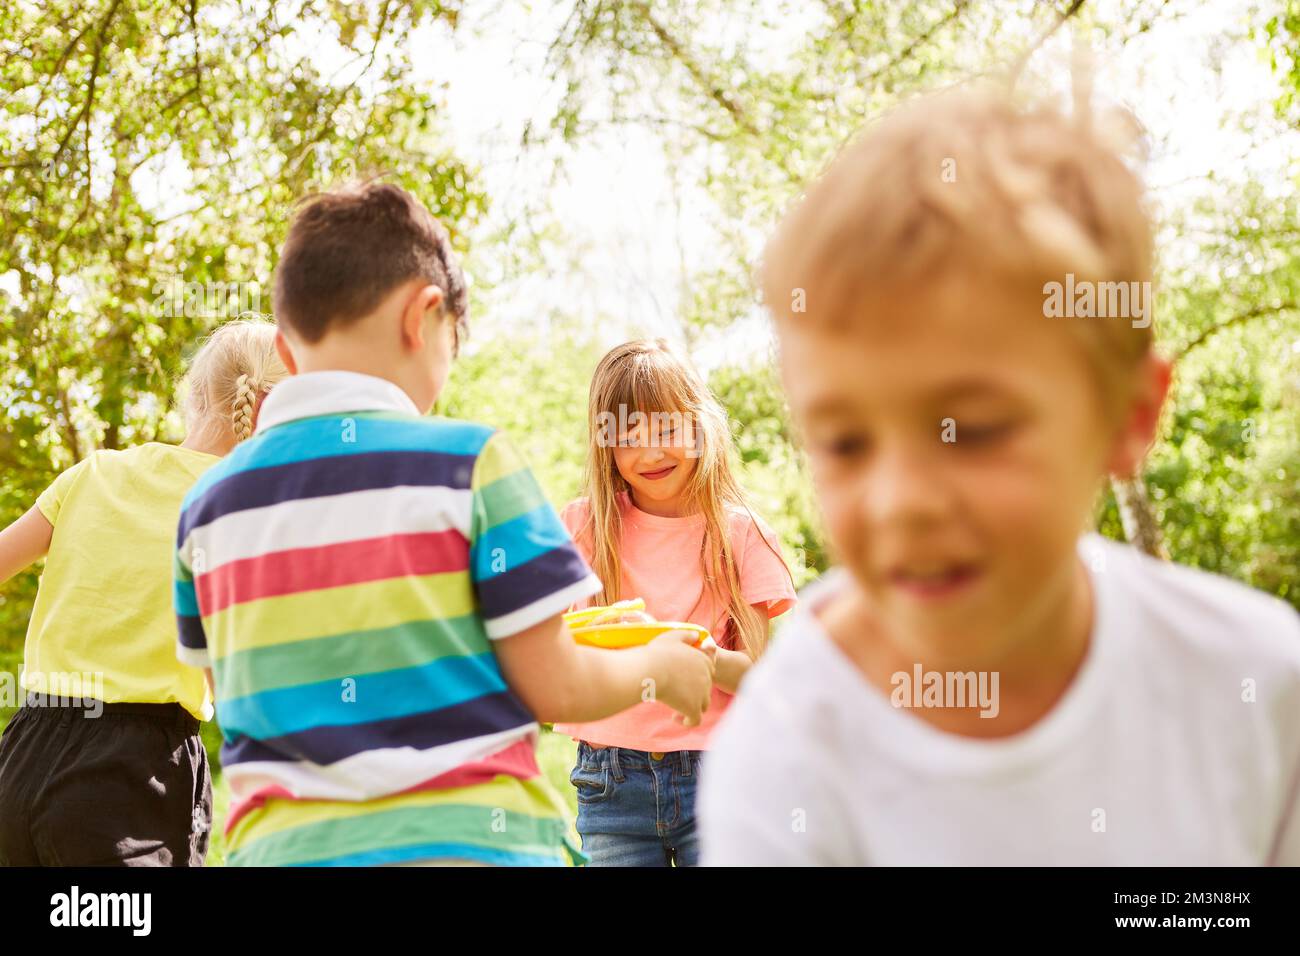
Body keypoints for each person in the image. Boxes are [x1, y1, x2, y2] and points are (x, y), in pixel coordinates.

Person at [699, 87, 1300, 865]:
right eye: (845, 443)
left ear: (1128, 417)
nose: (901, 501)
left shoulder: (1255, 684)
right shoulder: (788, 754)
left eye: (974, 431)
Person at [175, 182, 715, 866]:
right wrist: (659, 667)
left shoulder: (209, 506)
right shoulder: (473, 464)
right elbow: (555, 685)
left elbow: (234, 696)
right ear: (424, 316)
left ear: (284, 350)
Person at [0, 318, 287, 865]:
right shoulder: (243, 510)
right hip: (131, 780)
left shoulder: (96, 473)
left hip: (23, 756)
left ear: (197, 393)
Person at [555, 339, 796, 866]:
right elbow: (558, 661)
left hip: (717, 771)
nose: (652, 452)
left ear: (700, 426)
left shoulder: (741, 535)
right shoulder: (585, 529)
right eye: (629, 436)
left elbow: (759, 680)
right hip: (610, 778)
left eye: (668, 429)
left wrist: (699, 656)